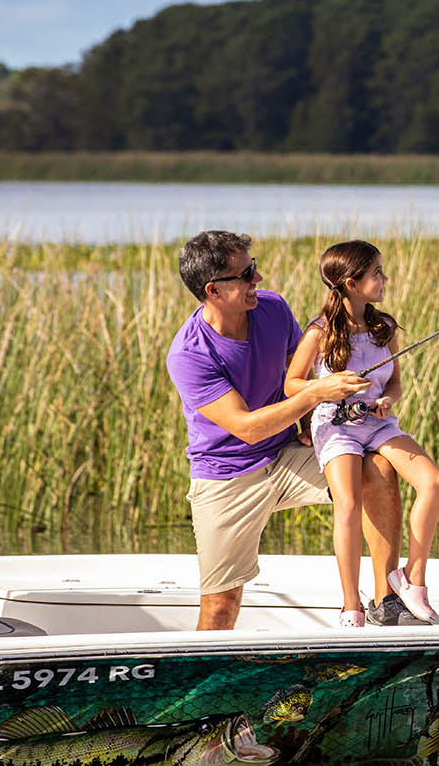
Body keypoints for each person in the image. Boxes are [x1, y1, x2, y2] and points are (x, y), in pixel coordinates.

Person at [165, 230, 404, 631]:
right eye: (245, 274)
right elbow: (246, 428)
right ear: (213, 290)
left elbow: (300, 368)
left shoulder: (273, 308)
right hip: (227, 476)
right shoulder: (190, 355)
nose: (257, 278)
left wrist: (311, 420)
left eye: (253, 267)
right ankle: (205, 684)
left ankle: (385, 599)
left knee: (378, 471)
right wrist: (317, 394)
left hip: (289, 454)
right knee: (222, 604)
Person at [287, 240, 439, 628]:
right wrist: (326, 388)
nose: (384, 278)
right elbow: (292, 385)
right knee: (348, 505)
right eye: (376, 272)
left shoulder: (384, 327)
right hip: (334, 423)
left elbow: (394, 384)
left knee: (433, 481)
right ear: (350, 283)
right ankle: (351, 605)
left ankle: (412, 579)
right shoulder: (318, 332)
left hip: (376, 422)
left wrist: (387, 401)